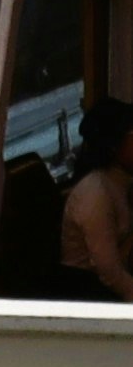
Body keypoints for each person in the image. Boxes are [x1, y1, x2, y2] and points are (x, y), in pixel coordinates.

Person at [66, 102, 133, 301]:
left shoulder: (121, 178)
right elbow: (110, 272)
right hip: (91, 293)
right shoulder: (95, 192)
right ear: (114, 144)